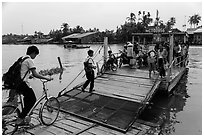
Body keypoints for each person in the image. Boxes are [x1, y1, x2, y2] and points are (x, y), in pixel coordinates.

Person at [16, 45, 53, 125]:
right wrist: (46, 78)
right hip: (23, 84)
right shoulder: (29, 60)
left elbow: (23, 71)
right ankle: (20, 118)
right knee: (33, 100)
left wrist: (29, 75)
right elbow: (35, 74)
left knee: (27, 100)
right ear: (33, 53)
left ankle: (25, 119)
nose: (35, 56)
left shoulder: (23, 58)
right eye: (35, 55)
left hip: (18, 83)